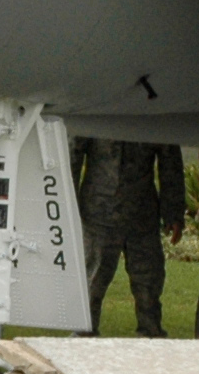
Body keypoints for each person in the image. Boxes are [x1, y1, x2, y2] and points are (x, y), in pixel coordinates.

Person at [78, 137, 186, 336]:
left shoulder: (152, 113)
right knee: (92, 282)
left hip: (141, 213)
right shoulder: (98, 113)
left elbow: (169, 159)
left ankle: (150, 337)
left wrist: (173, 212)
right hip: (99, 211)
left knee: (148, 284)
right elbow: (72, 155)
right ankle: (83, 336)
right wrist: (67, 205)